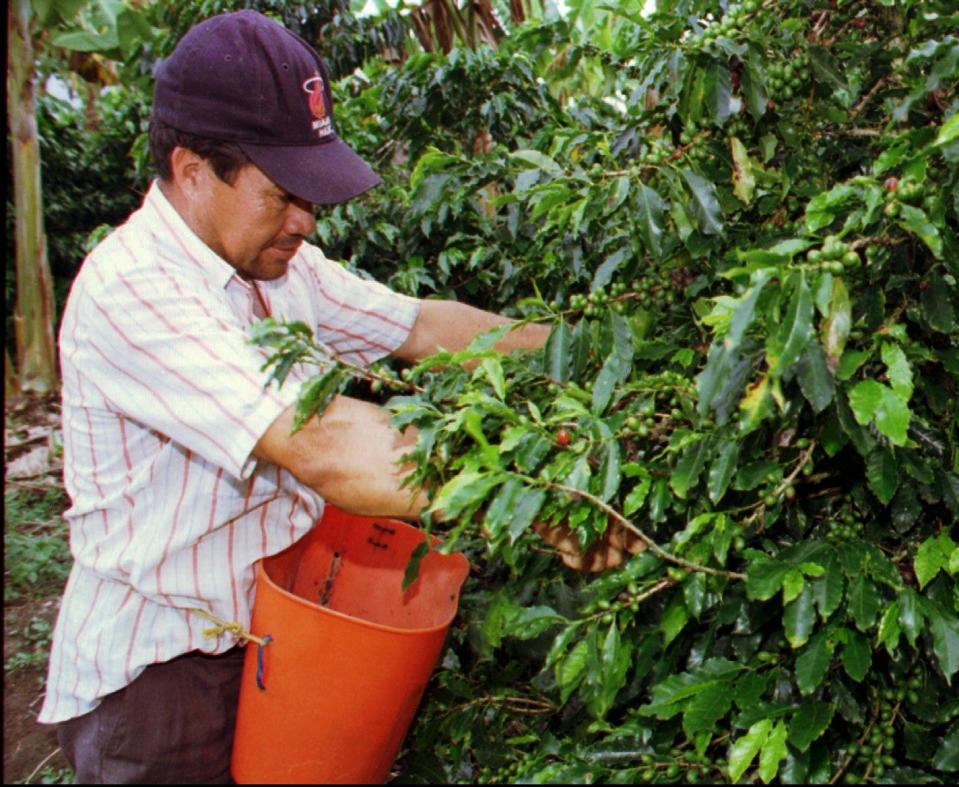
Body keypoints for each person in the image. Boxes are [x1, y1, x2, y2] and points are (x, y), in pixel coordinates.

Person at [38, 10, 641, 783]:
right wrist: (530, 493)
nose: (305, 220)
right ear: (192, 170)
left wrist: (593, 351)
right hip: (162, 676)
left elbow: (421, 325)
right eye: (283, 193)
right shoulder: (134, 289)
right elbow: (319, 442)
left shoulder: (281, 267)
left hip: (271, 635)